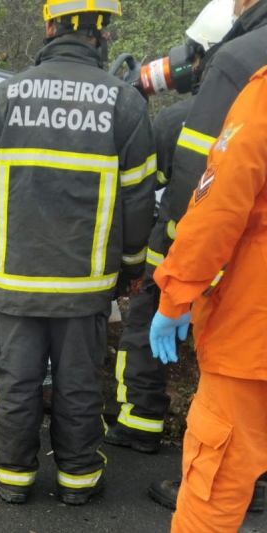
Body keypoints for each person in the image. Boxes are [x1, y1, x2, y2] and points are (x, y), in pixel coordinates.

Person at [0, 0, 155, 506]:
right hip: (84, 286)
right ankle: (79, 480)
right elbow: (137, 198)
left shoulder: (3, 98)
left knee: (17, 384)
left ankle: (14, 479)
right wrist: (132, 267)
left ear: (49, 26)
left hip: (13, 281)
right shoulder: (125, 105)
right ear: (103, 32)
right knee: (79, 386)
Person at [104, 0, 267, 510]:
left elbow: (206, 198)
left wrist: (167, 272)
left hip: (204, 261)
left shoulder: (232, 81)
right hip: (226, 262)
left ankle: (138, 427)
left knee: (148, 334)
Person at [107, 0, 234, 454]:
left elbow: (141, 190)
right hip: (236, 264)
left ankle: (139, 424)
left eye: (195, 53)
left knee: (142, 330)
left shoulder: (179, 119)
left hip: (178, 258)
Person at [148, 64, 267, 533]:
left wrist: (176, 294)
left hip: (253, 336)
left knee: (215, 482)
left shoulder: (262, 98)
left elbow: (219, 209)